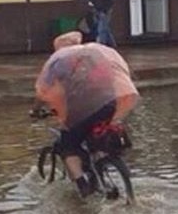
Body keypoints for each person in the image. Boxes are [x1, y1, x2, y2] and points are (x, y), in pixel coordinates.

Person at [32, 31, 139, 199]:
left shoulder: (60, 62)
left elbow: (43, 90)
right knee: (93, 134)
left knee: (68, 145)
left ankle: (82, 184)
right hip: (109, 104)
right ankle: (99, 161)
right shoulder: (98, 54)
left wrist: (36, 110)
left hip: (81, 108)